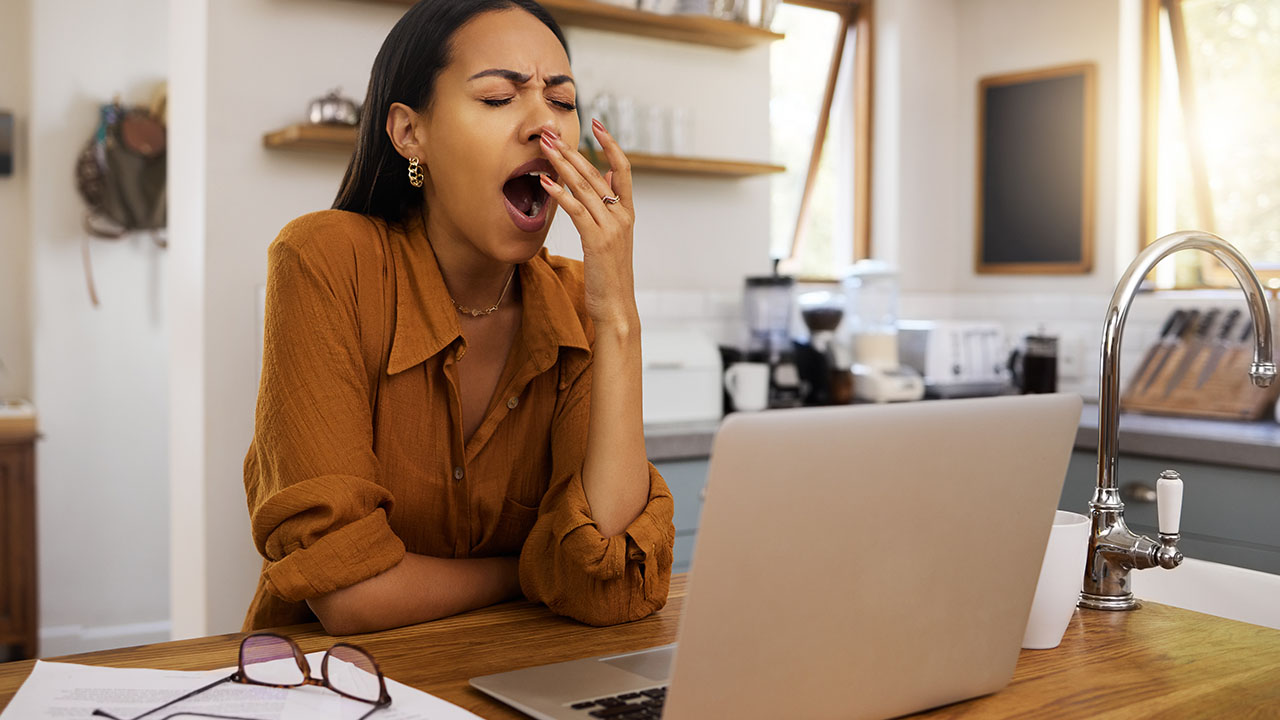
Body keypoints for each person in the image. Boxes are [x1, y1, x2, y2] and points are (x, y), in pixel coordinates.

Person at [242, 0, 674, 635]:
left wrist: (617, 317)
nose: (543, 127)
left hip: (524, 682)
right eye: (499, 97)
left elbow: (607, 585)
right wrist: (536, 568)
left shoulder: (580, 303)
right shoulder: (325, 261)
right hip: (335, 688)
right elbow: (350, 594)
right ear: (409, 132)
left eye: (561, 100)